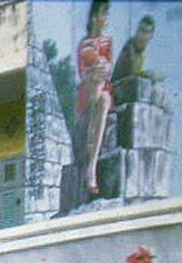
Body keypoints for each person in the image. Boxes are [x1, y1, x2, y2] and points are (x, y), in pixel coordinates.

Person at [77, 0, 113, 195]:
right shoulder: (84, 44)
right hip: (89, 91)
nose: (105, 19)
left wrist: (101, 67)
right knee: (97, 88)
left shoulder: (107, 42)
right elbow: (83, 74)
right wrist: (94, 71)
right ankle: (90, 165)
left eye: (106, 15)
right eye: (102, 14)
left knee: (104, 98)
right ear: (94, 17)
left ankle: (92, 166)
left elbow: (109, 68)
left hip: (103, 91)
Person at [112, 14, 156, 84]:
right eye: (141, 30)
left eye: (146, 32)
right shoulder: (130, 49)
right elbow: (133, 78)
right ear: (137, 31)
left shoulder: (140, 51)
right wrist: (148, 75)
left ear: (151, 36)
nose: (142, 35)